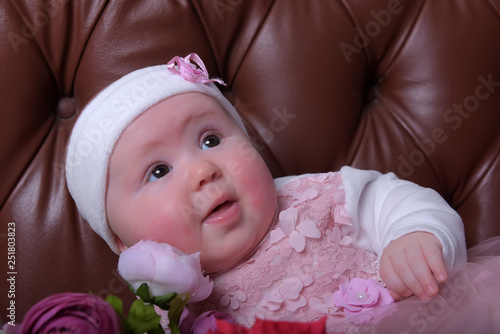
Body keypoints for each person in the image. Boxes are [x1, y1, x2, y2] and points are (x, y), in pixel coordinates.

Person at [66, 53, 491, 331]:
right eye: (158, 170)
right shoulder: (167, 312)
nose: (202, 170)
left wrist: (417, 237)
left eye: (211, 140)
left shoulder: (320, 198)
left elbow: (398, 202)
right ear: (124, 244)